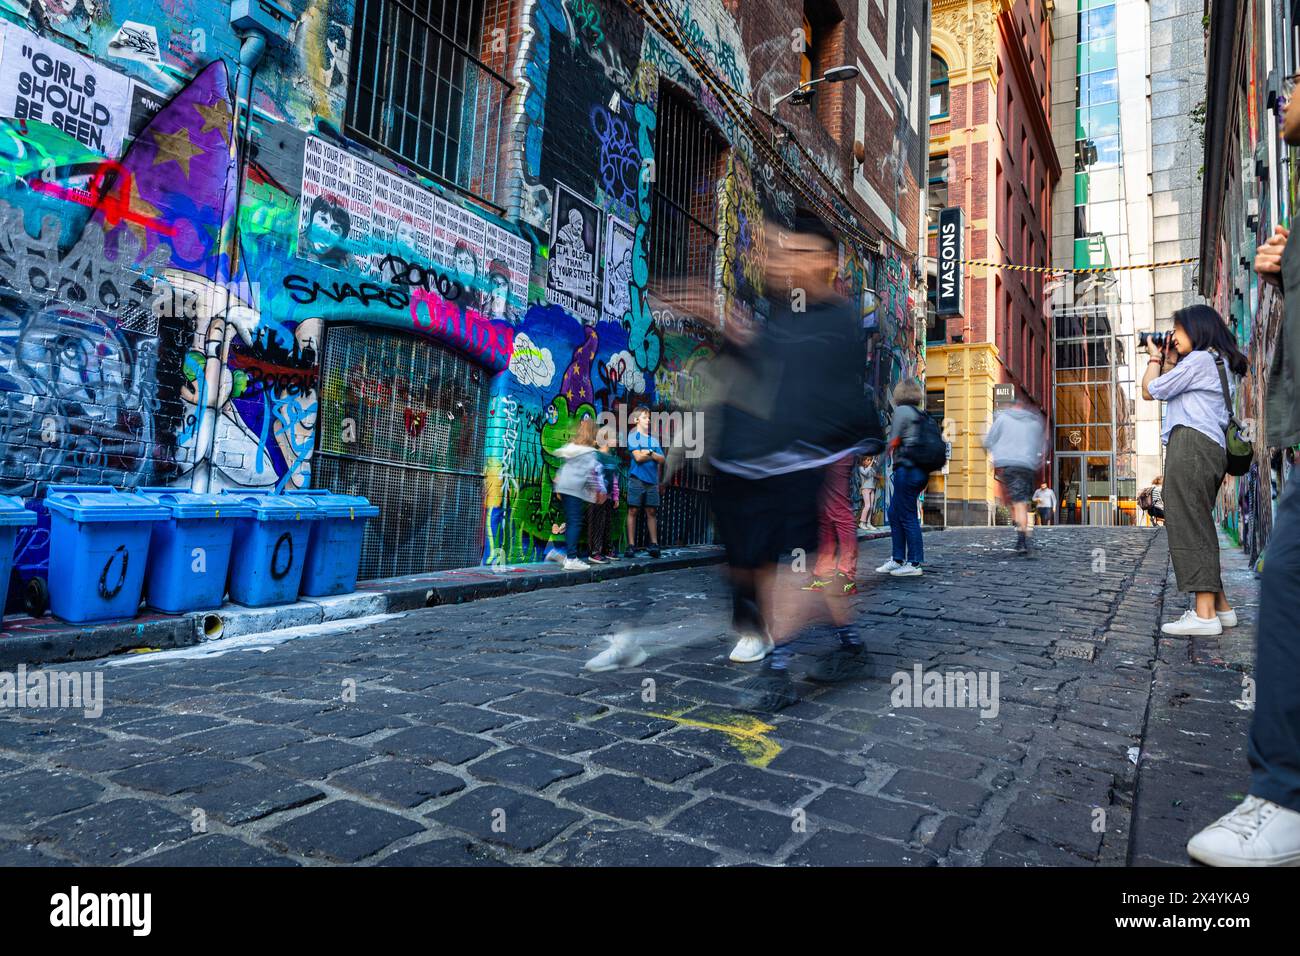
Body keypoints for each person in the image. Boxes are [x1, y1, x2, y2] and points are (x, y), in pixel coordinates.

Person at [708, 211, 883, 700]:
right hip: (780, 457)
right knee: (786, 560)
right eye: (787, 251)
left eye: (803, 253)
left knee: (794, 560)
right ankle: (849, 645)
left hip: (808, 457)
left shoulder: (838, 320)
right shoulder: (791, 314)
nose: (790, 262)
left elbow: (811, 385)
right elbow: (770, 367)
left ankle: (780, 669)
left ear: (827, 261)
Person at [1186, 190, 1300, 865]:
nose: (1286, 100)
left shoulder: (1195, 363)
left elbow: (1157, 393)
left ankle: (1285, 796)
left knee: (1284, 584)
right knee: (1286, 583)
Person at [1141, 305, 1246, 636]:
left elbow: (1150, 390)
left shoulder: (1201, 360)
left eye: (1178, 329)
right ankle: (1221, 608)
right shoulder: (1216, 361)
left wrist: (1154, 358)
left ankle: (1203, 615)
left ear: (1196, 329)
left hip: (1191, 446)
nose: (1173, 336)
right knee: (1199, 521)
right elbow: (1172, 387)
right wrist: (1172, 359)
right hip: (1209, 449)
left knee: (1189, 522)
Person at [876, 380, 929, 577]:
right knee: (895, 511)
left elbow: (893, 440)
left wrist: (876, 465)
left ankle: (914, 563)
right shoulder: (921, 414)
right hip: (920, 471)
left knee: (906, 515)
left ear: (899, 393)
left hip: (906, 469)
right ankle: (898, 559)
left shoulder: (901, 412)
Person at [983, 401, 1048, 555]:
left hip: (1010, 465)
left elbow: (988, 441)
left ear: (1011, 407)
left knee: (1017, 503)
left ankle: (1022, 539)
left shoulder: (1003, 418)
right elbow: (1042, 446)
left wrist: (996, 451)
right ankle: (1023, 535)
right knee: (1021, 503)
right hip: (1027, 466)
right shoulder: (1033, 422)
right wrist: (1035, 460)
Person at [552, 418, 606, 571]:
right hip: (574, 489)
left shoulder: (573, 447)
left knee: (571, 521)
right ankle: (571, 559)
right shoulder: (590, 453)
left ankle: (564, 554)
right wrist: (598, 491)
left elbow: (564, 467)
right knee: (575, 522)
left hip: (563, 486)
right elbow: (592, 474)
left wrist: (557, 485)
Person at [803, 452, 859, 596]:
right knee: (824, 514)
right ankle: (823, 573)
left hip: (838, 446)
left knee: (839, 509)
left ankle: (846, 576)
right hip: (820, 449)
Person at [624, 406, 664, 558]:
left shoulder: (653, 440)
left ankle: (654, 544)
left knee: (651, 511)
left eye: (649, 417)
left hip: (652, 481)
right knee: (633, 510)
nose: (648, 420)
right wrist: (651, 455)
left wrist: (649, 452)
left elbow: (662, 459)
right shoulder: (633, 437)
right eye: (645, 417)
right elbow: (638, 458)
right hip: (637, 479)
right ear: (636, 420)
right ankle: (631, 545)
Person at [586, 427, 620, 564]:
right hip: (597, 497)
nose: (617, 441)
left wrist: (616, 497)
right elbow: (592, 475)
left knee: (607, 524)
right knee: (596, 525)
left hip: (608, 498)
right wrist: (597, 492)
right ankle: (595, 552)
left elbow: (615, 479)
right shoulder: (596, 456)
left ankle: (607, 549)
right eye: (614, 438)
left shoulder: (612, 459)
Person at [858, 454, 879, 530]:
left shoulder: (871, 469)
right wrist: (871, 464)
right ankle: (862, 522)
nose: (869, 461)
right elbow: (865, 473)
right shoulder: (861, 468)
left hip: (872, 489)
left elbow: (875, 472)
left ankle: (868, 523)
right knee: (867, 506)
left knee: (871, 507)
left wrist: (875, 462)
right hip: (865, 488)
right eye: (868, 460)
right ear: (863, 461)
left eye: (870, 460)